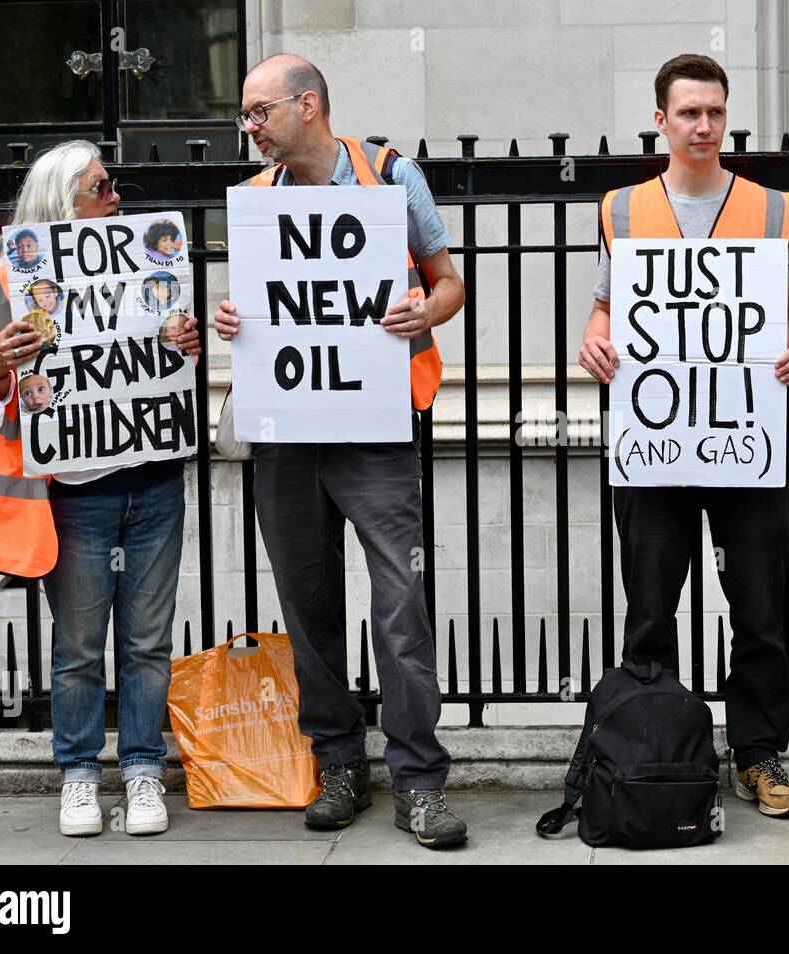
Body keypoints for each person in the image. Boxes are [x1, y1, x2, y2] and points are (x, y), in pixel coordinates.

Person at [213, 54, 468, 849]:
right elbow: (259, 309)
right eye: (246, 116)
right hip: (289, 433)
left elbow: (449, 283)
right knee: (308, 604)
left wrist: (423, 314)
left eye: (259, 112)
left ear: (308, 105)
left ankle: (419, 781)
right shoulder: (257, 201)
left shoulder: (391, 176)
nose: (249, 128)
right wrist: (231, 322)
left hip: (378, 431)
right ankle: (339, 766)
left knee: (399, 610)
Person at [578, 54, 789, 818]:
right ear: (661, 120)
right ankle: (657, 749)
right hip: (654, 442)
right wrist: (593, 344)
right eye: (689, 113)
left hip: (747, 436)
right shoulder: (620, 210)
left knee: (760, 603)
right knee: (649, 608)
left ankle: (758, 756)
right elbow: (604, 313)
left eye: (715, 112)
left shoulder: (773, 208)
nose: (704, 126)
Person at [0, 140, 202, 838]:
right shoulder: (1, 287)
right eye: (101, 189)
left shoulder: (149, 266)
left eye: (113, 186)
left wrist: (184, 342)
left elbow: (166, 366)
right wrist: (1, 369)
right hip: (74, 496)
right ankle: (77, 774)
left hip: (155, 481)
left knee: (147, 642)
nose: (116, 198)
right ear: (61, 201)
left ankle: (140, 771)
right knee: (76, 647)